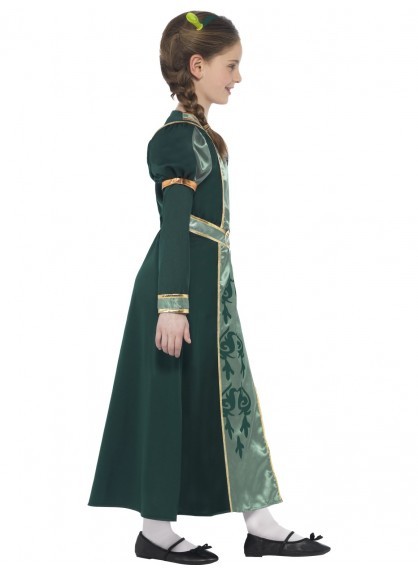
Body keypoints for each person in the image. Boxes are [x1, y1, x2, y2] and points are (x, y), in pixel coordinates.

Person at [87, 10, 331, 564]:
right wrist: (171, 305)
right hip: (176, 290)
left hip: (209, 288)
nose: (238, 77)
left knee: (226, 397)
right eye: (231, 65)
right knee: (166, 399)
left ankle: (257, 522)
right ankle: (157, 530)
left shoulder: (202, 137)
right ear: (198, 66)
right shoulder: (178, 139)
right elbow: (175, 222)